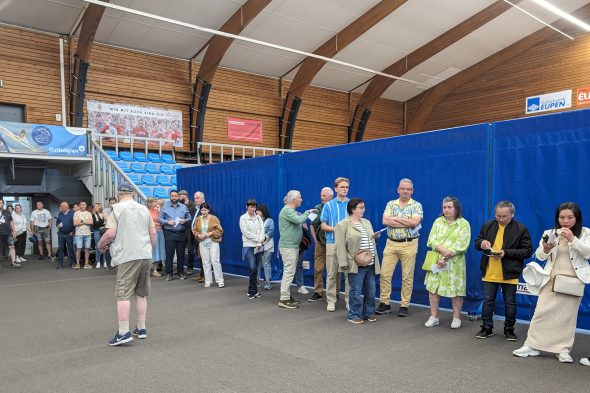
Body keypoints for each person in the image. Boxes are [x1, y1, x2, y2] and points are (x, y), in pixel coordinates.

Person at [513, 202, 590, 364]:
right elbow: (540, 255)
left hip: (573, 282)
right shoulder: (550, 232)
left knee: (566, 318)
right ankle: (532, 345)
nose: (565, 221)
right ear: (557, 218)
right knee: (541, 312)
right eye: (562, 217)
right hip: (551, 279)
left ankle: (562, 350)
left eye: (570, 217)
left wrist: (573, 240)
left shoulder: (585, 233)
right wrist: (547, 248)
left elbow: (587, 253)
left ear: (577, 218)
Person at [98, 182, 156, 346]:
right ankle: (142, 328)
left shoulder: (116, 209)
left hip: (127, 256)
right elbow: (152, 233)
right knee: (141, 293)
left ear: (118, 194)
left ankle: (123, 332)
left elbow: (110, 233)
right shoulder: (144, 209)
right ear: (133, 194)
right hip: (144, 254)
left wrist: (100, 245)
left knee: (123, 294)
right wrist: (149, 250)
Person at [474, 201, 532, 340]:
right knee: (488, 301)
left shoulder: (521, 229)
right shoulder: (488, 225)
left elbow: (527, 251)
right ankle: (486, 328)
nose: (500, 219)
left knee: (510, 303)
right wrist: (481, 243)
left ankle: (509, 329)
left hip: (510, 272)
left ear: (512, 214)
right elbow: (477, 242)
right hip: (490, 271)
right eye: (498, 215)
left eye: (504, 216)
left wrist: (506, 253)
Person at [376, 178, 423, 317]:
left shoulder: (416, 205)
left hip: (409, 243)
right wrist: (406, 222)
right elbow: (385, 221)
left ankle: (404, 305)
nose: (405, 191)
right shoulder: (391, 204)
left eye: (408, 189)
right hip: (391, 243)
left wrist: (395, 220)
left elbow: (414, 223)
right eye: (403, 188)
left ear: (412, 191)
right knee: (385, 274)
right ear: (398, 189)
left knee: (407, 276)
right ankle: (385, 303)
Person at [423, 197, 471, 329]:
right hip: (437, 261)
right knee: (433, 289)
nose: (447, 210)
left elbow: (462, 244)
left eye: (450, 207)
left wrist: (445, 257)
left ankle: (456, 317)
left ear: (456, 209)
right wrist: (442, 251)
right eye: (444, 207)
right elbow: (431, 239)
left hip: (455, 262)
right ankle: (434, 316)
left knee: (456, 291)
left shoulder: (464, 223)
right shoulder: (438, 222)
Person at [335, 198, 381, 324]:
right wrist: (344, 264)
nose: (363, 210)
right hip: (355, 263)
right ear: (352, 209)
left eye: (363, 207)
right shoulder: (342, 224)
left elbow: (369, 239)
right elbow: (340, 246)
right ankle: (354, 314)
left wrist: (375, 238)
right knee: (355, 290)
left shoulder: (366, 222)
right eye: (361, 207)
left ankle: (369, 312)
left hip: (370, 262)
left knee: (371, 290)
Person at [278, 190, 315, 309]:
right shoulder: (288, 210)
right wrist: (308, 212)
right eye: (300, 197)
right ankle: (284, 299)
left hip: (291, 246)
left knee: (289, 272)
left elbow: (296, 223)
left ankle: (287, 296)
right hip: (288, 247)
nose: (302, 199)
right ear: (294, 200)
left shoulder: (289, 211)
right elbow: (299, 220)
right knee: (289, 272)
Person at [321, 177, 351, 312]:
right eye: (342, 187)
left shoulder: (352, 204)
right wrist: (335, 229)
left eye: (346, 187)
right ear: (336, 189)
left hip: (348, 245)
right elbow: (323, 225)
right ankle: (331, 301)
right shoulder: (328, 205)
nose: (344, 189)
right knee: (332, 274)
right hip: (332, 243)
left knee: (349, 274)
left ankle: (349, 301)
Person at [158, 190, 191, 281]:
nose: (174, 198)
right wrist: (167, 222)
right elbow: (159, 218)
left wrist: (185, 220)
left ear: (178, 197)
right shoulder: (165, 207)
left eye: (176, 196)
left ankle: (180, 273)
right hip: (169, 233)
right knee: (170, 254)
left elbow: (189, 217)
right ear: (170, 197)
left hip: (181, 233)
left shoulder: (184, 207)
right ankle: (169, 273)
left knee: (181, 255)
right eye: (172, 196)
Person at [309, 187, 333, 302]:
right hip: (320, 243)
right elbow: (312, 225)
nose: (322, 197)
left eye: (324, 195)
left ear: (331, 196)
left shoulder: (335, 207)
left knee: (334, 269)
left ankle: (335, 292)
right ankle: (318, 292)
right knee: (318, 268)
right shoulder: (317, 209)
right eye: (321, 195)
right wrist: (315, 239)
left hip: (332, 243)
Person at [192, 202, 224, 287]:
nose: (203, 212)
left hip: (213, 241)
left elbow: (220, 230)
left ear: (208, 210)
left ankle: (220, 280)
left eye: (205, 210)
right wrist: (198, 235)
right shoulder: (198, 219)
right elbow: (194, 230)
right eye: (202, 210)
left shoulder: (214, 218)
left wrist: (209, 234)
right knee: (205, 262)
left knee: (215, 261)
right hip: (202, 243)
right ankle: (208, 281)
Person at [240, 199, 265, 299]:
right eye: (251, 206)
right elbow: (246, 233)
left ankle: (254, 291)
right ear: (247, 207)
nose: (253, 209)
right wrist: (258, 239)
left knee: (256, 269)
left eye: (254, 207)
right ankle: (251, 291)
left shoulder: (258, 218)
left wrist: (260, 242)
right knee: (252, 268)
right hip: (248, 246)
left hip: (258, 246)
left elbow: (262, 230)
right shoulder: (243, 218)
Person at [178, 190, 196, 276]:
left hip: (190, 231)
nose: (178, 197)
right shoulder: (178, 205)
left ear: (185, 195)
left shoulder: (193, 205)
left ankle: (190, 267)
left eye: (180, 195)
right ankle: (180, 268)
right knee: (180, 250)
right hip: (180, 230)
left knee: (190, 250)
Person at [256, 204, 274, 290]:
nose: (256, 212)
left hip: (268, 245)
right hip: (257, 245)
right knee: (257, 264)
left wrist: (264, 238)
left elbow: (271, 231)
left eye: (258, 211)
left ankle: (268, 282)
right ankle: (257, 282)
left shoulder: (270, 221)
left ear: (262, 211)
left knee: (266, 264)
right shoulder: (255, 220)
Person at [146, 198, 164, 277]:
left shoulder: (157, 211)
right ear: (150, 202)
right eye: (155, 201)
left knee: (158, 250)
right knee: (151, 250)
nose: (157, 202)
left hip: (159, 232)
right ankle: (148, 269)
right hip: (151, 233)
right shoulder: (145, 211)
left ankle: (155, 269)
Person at [191, 191, 206, 282]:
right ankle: (202, 274)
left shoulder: (205, 208)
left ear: (202, 198)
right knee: (200, 257)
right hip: (197, 237)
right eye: (195, 198)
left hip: (202, 238)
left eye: (197, 198)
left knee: (204, 257)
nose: (195, 200)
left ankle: (205, 276)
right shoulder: (197, 208)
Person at [73, 201, 93, 269]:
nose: (82, 206)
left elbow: (91, 222)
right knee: (78, 249)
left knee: (87, 249)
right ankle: (77, 264)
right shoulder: (76, 213)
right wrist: (85, 222)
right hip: (79, 234)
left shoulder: (89, 213)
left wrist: (81, 221)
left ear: (86, 205)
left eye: (84, 205)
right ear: (79, 206)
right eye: (81, 205)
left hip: (87, 233)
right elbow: (75, 223)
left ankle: (86, 264)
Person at [0, 199, 19, 268]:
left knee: (12, 246)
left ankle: (13, 262)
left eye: (0, 203)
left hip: (8, 233)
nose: (0, 204)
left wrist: (14, 231)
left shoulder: (7, 212)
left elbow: (11, 222)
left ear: (3, 204)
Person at [56, 202, 75, 269]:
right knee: (60, 248)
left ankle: (72, 262)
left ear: (65, 207)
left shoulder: (72, 213)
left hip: (69, 234)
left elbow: (75, 224)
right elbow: (57, 223)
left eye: (61, 206)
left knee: (70, 248)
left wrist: (73, 232)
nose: (59, 207)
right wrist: (58, 225)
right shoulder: (60, 214)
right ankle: (60, 264)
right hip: (61, 234)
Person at [92, 203, 106, 268]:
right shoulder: (93, 215)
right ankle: (98, 261)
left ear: (100, 207)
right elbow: (93, 224)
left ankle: (105, 260)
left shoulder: (104, 214)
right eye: (94, 206)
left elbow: (106, 222)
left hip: (103, 231)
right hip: (96, 231)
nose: (95, 207)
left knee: (104, 245)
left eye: (97, 206)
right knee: (98, 246)